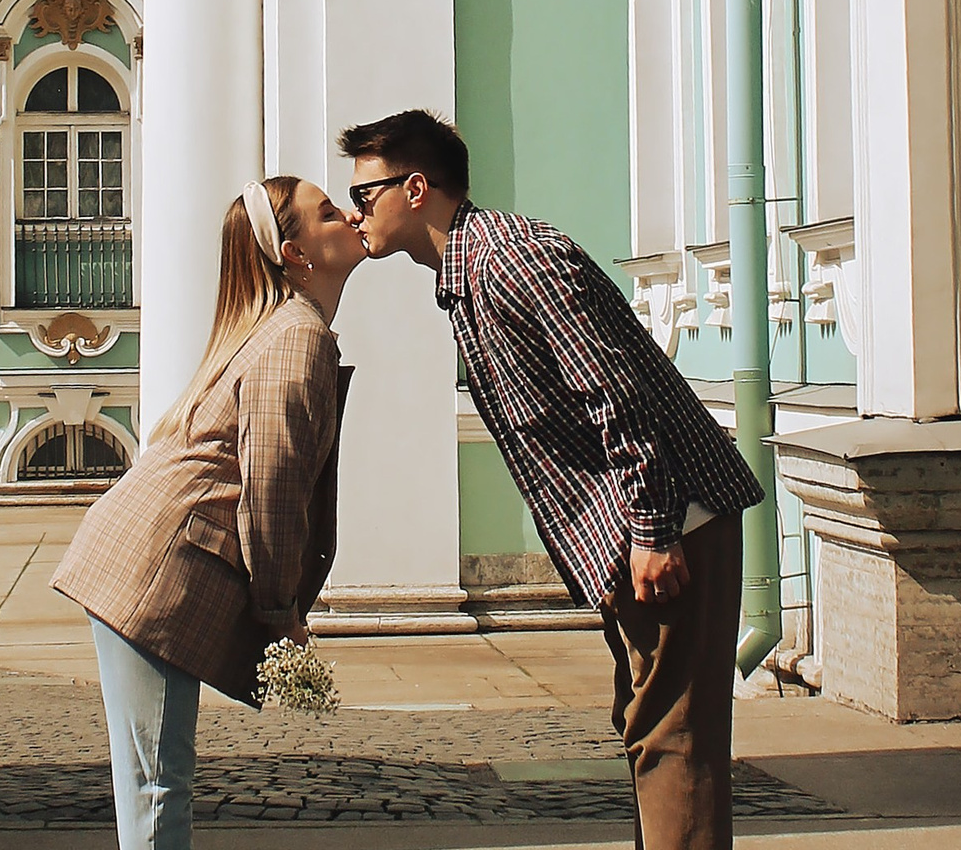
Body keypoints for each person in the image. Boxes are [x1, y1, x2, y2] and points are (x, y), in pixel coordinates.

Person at [341, 108, 763, 850]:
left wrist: (654, 532)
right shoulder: (469, 274)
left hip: (670, 528)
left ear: (415, 189)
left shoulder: (511, 259)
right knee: (649, 732)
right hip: (640, 536)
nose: (354, 214)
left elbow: (615, 393)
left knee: (672, 742)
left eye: (364, 195)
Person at [53, 175, 367, 850]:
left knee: (152, 785)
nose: (347, 212)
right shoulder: (295, 337)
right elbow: (274, 486)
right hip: (150, 574)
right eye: (326, 211)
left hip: (138, 561)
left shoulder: (284, 328)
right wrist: (281, 611)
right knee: (158, 789)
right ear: (295, 254)